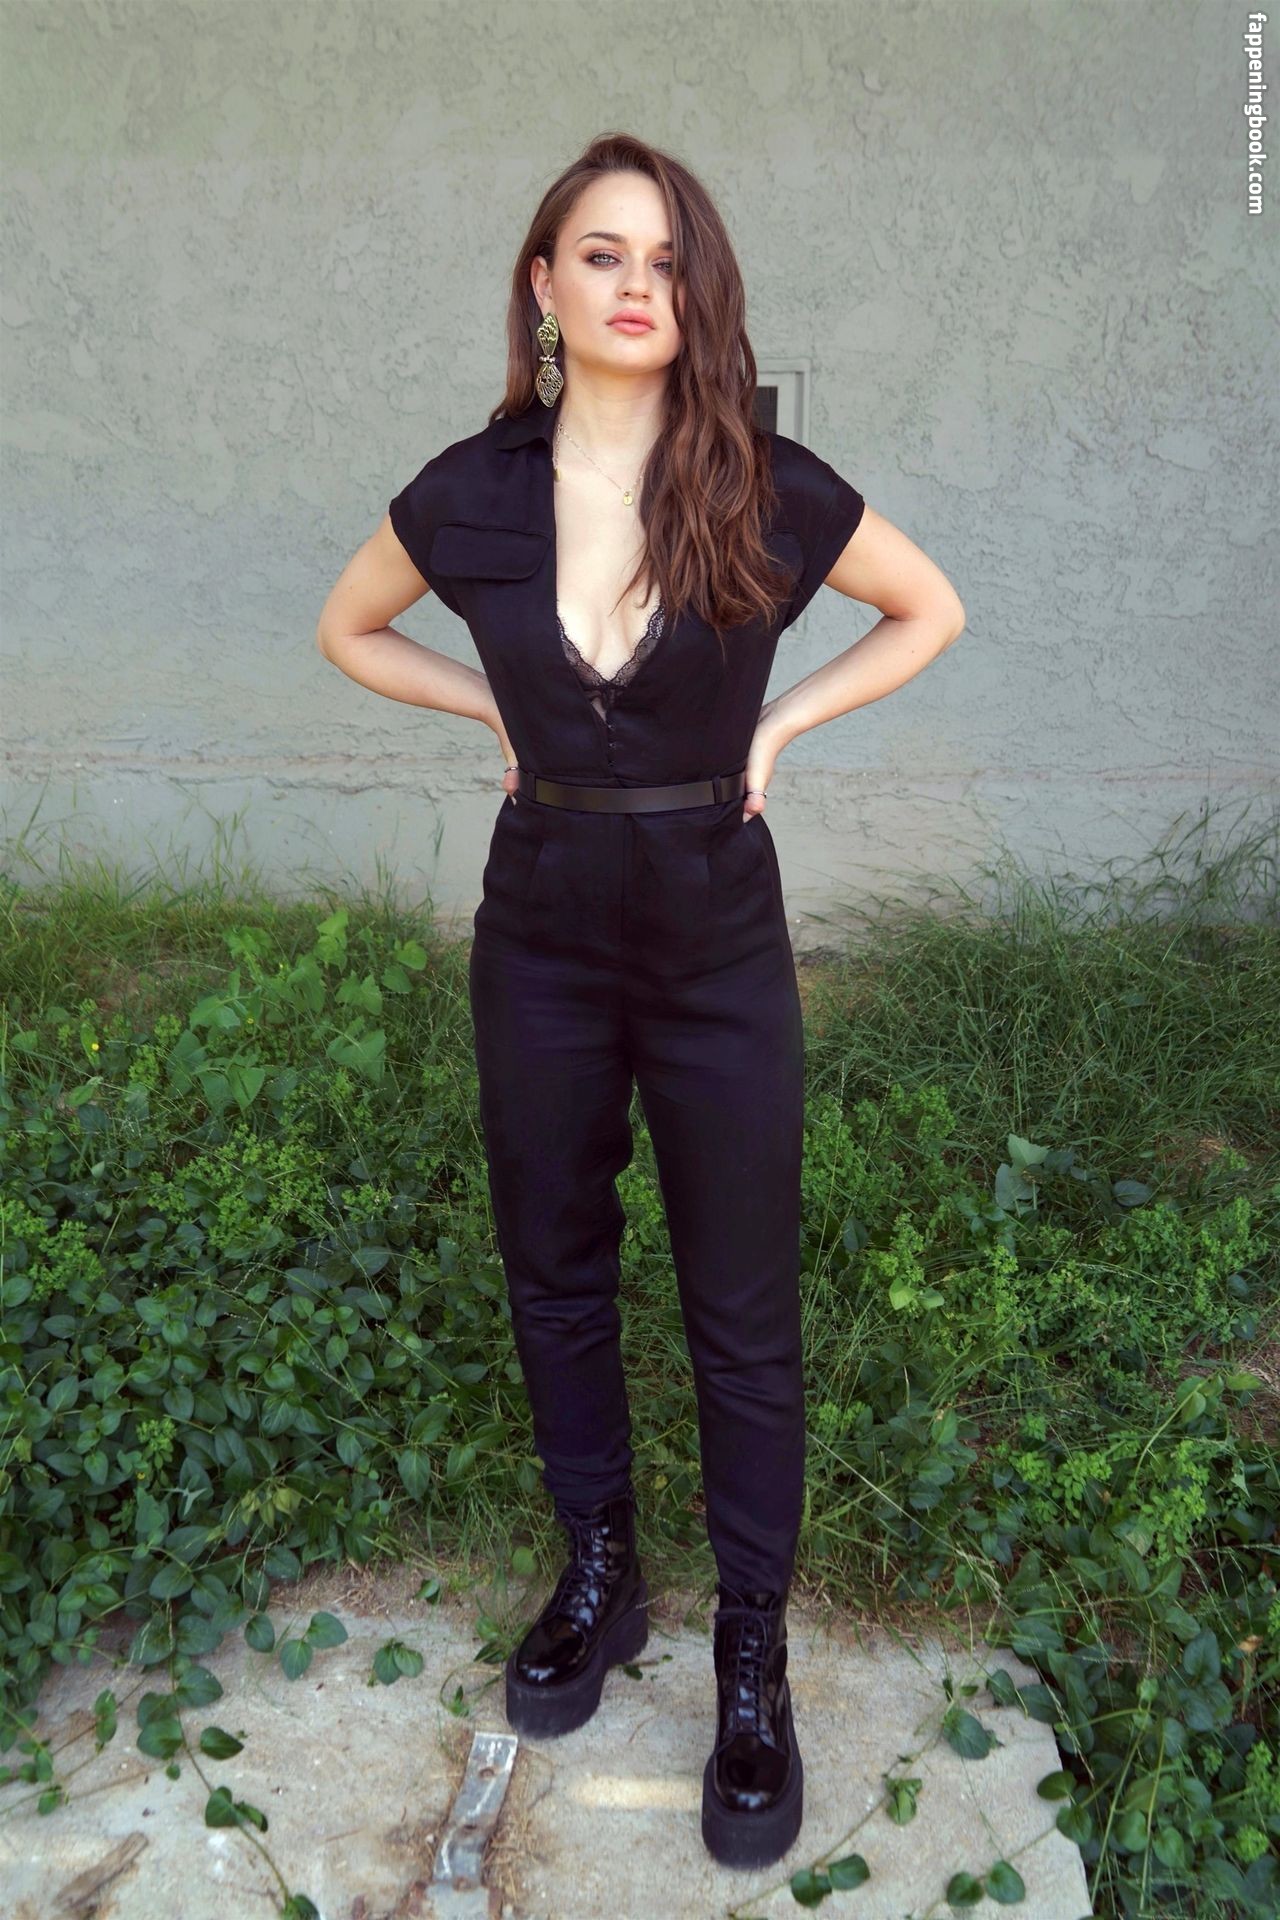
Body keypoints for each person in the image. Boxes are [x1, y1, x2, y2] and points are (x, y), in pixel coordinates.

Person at [317, 132, 965, 1872]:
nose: (634, 286)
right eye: (601, 254)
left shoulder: (759, 480)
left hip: (713, 941)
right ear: (543, 285)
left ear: (699, 294)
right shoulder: (470, 491)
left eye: (666, 261)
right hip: (539, 927)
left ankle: (753, 1646)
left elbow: (930, 608)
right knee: (556, 1261)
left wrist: (780, 726)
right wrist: (491, 708)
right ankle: (600, 1571)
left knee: (739, 1302)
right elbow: (349, 629)